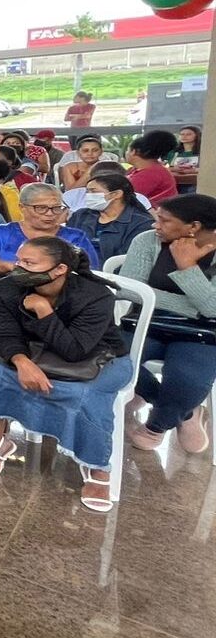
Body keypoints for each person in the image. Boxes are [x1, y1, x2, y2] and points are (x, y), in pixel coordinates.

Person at [0, 238, 131, 513]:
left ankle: (97, 468)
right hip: (36, 351)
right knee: (1, 372)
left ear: (59, 269)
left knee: (87, 394)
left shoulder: (95, 295)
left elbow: (76, 350)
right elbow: (5, 333)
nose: (18, 268)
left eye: (29, 264)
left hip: (100, 358)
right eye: (20, 260)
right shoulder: (6, 289)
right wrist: (21, 361)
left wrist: (44, 311)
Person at [121, 194, 216, 454]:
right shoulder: (147, 241)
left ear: (193, 227)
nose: (156, 225)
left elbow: (213, 309)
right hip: (145, 323)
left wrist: (187, 267)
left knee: (188, 378)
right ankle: (183, 413)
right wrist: (195, 306)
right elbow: (130, 290)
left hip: (202, 334)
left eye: (164, 220)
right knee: (110, 359)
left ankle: (158, 425)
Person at [0, 183, 99, 274]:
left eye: (56, 208)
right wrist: (14, 267)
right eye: (41, 208)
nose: (50, 214)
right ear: (22, 208)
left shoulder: (75, 237)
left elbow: (90, 270)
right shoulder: (1, 232)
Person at [67, 172, 155, 261]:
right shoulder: (80, 215)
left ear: (116, 194)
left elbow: (126, 259)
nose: (88, 195)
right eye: (87, 191)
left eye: (93, 191)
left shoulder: (142, 224)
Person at [126, 130, 180, 207]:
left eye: (127, 150)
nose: (126, 153)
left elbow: (124, 199)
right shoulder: (151, 170)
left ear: (134, 151)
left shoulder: (149, 174)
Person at [169, 125, 201, 194]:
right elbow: (166, 167)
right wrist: (175, 169)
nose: (184, 136)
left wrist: (193, 170)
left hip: (194, 183)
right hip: (175, 182)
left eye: (188, 134)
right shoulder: (173, 153)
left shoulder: (202, 152)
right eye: (182, 134)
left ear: (197, 136)